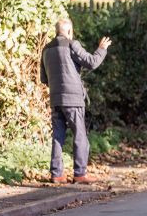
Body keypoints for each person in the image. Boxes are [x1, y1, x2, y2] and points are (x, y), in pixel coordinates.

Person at [40, 19, 111, 184]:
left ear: (56, 31)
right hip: (73, 99)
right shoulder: (72, 45)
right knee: (80, 135)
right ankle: (80, 174)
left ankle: (56, 174)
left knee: (58, 136)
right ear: (70, 31)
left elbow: (44, 78)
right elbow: (92, 62)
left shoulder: (46, 49)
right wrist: (101, 49)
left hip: (56, 99)